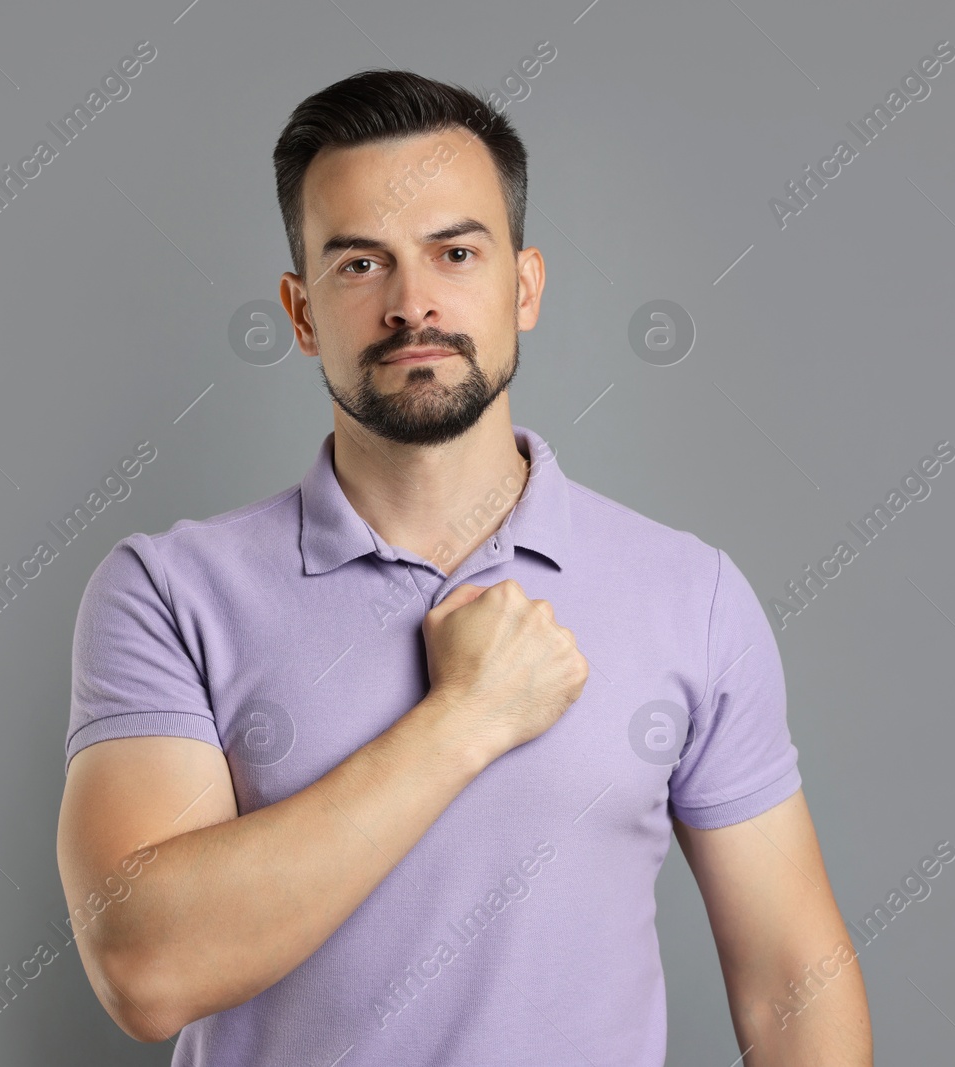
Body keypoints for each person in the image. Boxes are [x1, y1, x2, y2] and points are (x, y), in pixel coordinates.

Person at [56, 68, 872, 1066]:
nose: (412, 304)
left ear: (521, 286)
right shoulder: (167, 592)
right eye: (359, 263)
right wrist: (465, 718)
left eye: (454, 253)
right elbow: (145, 969)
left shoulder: (690, 595)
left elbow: (792, 976)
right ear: (302, 308)